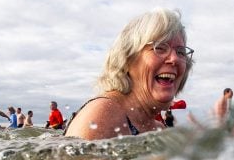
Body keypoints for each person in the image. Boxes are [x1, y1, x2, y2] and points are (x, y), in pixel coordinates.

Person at [65, 8, 193, 140]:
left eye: (181, 52)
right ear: (127, 58)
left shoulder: (159, 129)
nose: (174, 59)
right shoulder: (104, 114)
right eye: (159, 47)